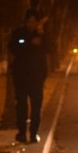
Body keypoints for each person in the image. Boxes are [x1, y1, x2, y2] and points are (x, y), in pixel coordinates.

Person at [8, 9, 48, 143]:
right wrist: (30, 41)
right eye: (29, 21)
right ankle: (22, 133)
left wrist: (43, 37)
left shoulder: (43, 35)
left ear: (37, 22)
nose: (31, 24)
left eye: (34, 21)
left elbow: (51, 48)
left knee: (36, 107)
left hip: (37, 77)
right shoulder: (19, 33)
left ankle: (33, 134)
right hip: (21, 75)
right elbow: (14, 47)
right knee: (21, 106)